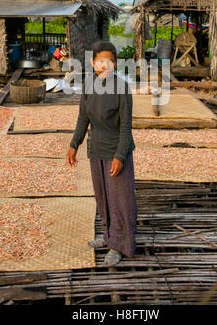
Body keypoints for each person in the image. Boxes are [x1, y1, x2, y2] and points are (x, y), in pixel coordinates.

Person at [66, 40, 137, 266]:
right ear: (93, 62)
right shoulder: (89, 86)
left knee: (120, 199)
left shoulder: (121, 88)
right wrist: (74, 144)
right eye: (100, 61)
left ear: (115, 64)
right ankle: (108, 236)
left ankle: (120, 244)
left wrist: (120, 156)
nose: (104, 65)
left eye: (110, 61)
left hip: (117, 150)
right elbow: (83, 118)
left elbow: (126, 127)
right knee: (103, 197)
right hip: (96, 150)